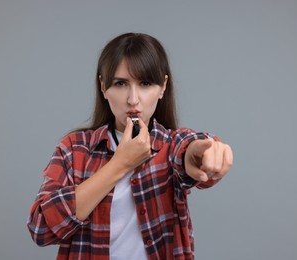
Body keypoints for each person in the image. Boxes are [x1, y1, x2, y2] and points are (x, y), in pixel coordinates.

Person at [27, 32, 233, 260]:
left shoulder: (170, 145)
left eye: (145, 83)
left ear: (163, 87)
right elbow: (41, 228)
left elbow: (188, 149)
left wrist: (202, 153)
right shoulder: (74, 149)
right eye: (121, 83)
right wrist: (120, 164)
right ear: (103, 87)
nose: (133, 99)